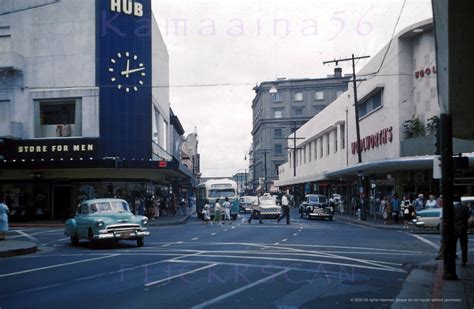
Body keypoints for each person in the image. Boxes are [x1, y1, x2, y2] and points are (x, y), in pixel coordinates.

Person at [453, 197, 470, 267]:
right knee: (464, 246)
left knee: (453, 245)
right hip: (463, 228)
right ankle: (464, 261)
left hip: (455, 228)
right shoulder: (465, 207)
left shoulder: (453, 208)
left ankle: (453, 257)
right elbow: (468, 216)